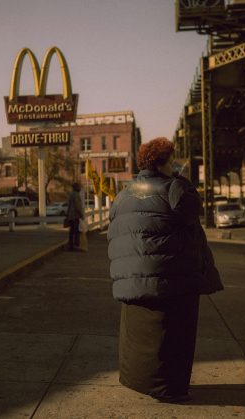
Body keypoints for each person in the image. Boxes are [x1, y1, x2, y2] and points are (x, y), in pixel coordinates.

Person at [107, 137, 223, 403]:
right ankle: (170, 389)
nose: (174, 165)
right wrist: (184, 182)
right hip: (173, 280)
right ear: (162, 163)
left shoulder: (124, 195)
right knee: (174, 337)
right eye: (171, 161)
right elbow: (192, 211)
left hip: (132, 279)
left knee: (140, 338)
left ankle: (138, 382)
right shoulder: (174, 188)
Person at [66, 182, 84, 251]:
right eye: (79, 187)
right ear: (76, 188)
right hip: (75, 216)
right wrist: (81, 214)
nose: (80, 189)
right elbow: (78, 206)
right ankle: (76, 245)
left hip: (71, 216)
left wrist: (67, 215)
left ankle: (71, 245)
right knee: (76, 231)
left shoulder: (71, 195)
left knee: (71, 231)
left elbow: (69, 206)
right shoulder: (76, 195)